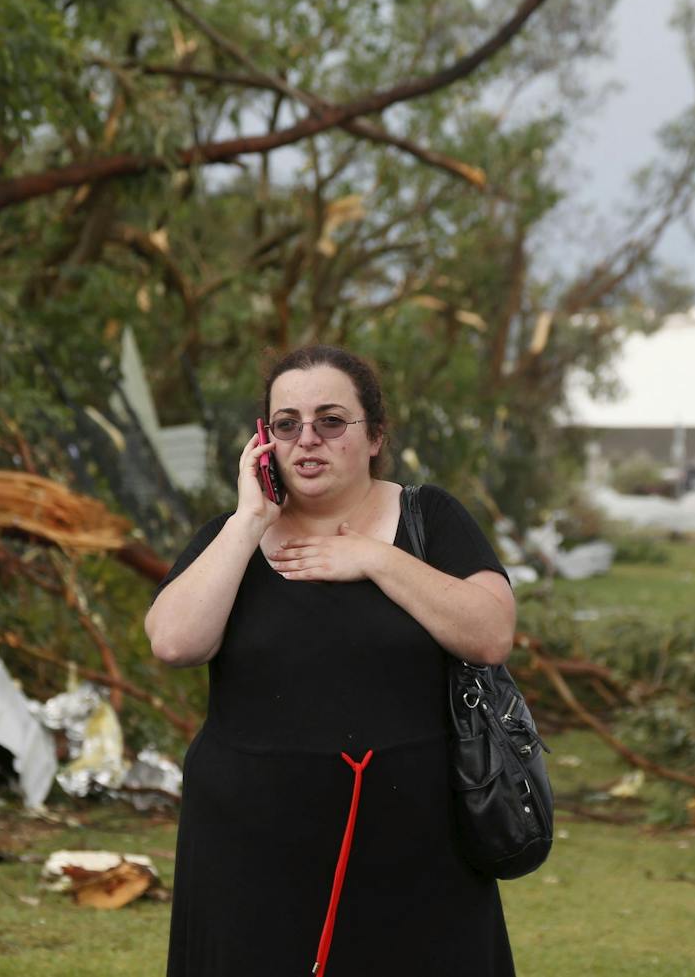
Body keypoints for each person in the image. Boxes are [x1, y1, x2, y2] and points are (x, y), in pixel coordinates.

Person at [146, 345, 518, 977]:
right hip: (249, 848)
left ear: (374, 435)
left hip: (414, 843)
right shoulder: (229, 537)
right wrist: (248, 520)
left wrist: (374, 559)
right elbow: (175, 643)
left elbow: (489, 634)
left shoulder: (430, 518)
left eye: (330, 421)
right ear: (264, 442)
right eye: (286, 424)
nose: (307, 439)